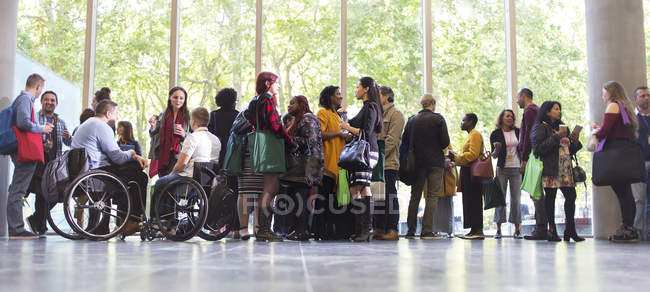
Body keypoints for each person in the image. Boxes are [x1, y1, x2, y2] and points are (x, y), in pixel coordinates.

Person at [71, 100, 149, 236]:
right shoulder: (101, 126)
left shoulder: (87, 124)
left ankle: (124, 220)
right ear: (108, 113)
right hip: (97, 171)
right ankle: (132, 220)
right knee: (139, 176)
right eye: (116, 113)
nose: (117, 117)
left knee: (130, 170)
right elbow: (117, 157)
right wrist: (132, 153)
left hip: (85, 169)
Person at [244, 71, 298, 242]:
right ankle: (264, 230)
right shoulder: (266, 100)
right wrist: (291, 143)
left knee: (270, 188)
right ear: (267, 84)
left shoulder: (255, 101)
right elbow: (276, 126)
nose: (278, 86)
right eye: (276, 82)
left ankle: (263, 229)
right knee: (270, 187)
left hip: (262, 147)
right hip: (270, 146)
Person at [152, 107, 220, 223]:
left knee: (160, 183)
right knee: (168, 181)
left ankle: (161, 221)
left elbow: (182, 164)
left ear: (192, 122)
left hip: (189, 181)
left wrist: (171, 174)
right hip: (207, 182)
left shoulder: (193, 137)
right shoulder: (216, 140)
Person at [6, 74, 53, 239]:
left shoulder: (22, 100)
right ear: (38, 87)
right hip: (24, 151)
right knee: (18, 190)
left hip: (20, 149)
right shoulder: (25, 100)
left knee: (16, 189)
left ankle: (15, 228)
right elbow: (23, 123)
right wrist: (43, 129)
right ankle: (17, 229)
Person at [594, 81, 641, 242]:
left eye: (604, 92)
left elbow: (605, 131)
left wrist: (595, 131)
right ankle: (629, 227)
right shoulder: (624, 107)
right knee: (625, 192)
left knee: (623, 193)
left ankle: (627, 228)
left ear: (610, 92)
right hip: (624, 151)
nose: (602, 95)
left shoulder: (613, 105)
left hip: (615, 152)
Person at [531, 101, 584, 242]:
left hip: (566, 168)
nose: (559, 111)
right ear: (547, 111)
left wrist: (575, 141)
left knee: (571, 196)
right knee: (550, 199)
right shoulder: (541, 127)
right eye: (555, 109)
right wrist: (557, 136)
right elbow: (539, 149)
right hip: (551, 168)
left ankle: (570, 230)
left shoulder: (562, 126)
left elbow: (570, 149)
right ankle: (552, 230)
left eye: (559, 109)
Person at [340, 76, 383, 242]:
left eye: (358, 87)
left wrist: (346, 126)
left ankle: (363, 230)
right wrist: (345, 119)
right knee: (362, 188)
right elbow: (356, 126)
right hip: (367, 152)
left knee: (357, 189)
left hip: (366, 152)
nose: (356, 90)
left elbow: (365, 131)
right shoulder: (368, 107)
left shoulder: (370, 106)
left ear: (366, 89)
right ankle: (363, 231)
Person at [403, 94, 449, 240]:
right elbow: (444, 142)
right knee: (432, 196)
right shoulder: (439, 119)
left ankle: (410, 231)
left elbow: (404, 142)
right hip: (435, 163)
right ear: (433, 104)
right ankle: (426, 231)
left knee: (415, 196)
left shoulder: (412, 120)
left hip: (417, 164)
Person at [26, 90, 72, 235]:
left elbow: (68, 143)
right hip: (38, 162)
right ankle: (41, 226)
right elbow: (29, 137)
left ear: (56, 104)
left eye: (52, 100)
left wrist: (69, 137)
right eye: (46, 100)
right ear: (42, 101)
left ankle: (36, 220)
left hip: (55, 165)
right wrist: (41, 144)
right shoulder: (35, 118)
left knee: (56, 194)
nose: (49, 102)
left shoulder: (60, 121)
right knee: (41, 194)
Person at [313, 85, 353, 240]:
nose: (341, 97)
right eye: (337, 94)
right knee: (324, 200)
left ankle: (335, 232)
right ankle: (320, 231)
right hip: (328, 164)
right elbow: (319, 134)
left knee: (338, 200)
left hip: (339, 163)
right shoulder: (323, 112)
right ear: (329, 97)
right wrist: (339, 133)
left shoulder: (336, 115)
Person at [282, 95, 323, 241]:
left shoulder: (308, 118)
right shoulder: (298, 120)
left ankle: (302, 231)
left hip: (307, 164)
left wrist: (286, 139)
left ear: (302, 104)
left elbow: (309, 141)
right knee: (298, 197)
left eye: (292, 103)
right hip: (302, 164)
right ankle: (298, 229)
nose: (289, 106)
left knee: (301, 198)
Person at [207, 87, 241, 238]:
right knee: (235, 192)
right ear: (233, 100)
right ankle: (236, 229)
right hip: (234, 159)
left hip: (218, 159)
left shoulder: (213, 115)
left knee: (218, 194)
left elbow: (210, 137)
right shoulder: (238, 115)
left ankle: (215, 227)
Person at [373, 86, 404, 241]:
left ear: (386, 97)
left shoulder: (396, 114)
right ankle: (378, 228)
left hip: (389, 164)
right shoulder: (377, 114)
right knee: (378, 197)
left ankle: (392, 229)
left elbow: (392, 141)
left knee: (390, 196)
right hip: (376, 164)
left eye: (378, 95)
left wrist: (377, 156)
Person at [517, 88, 547, 240]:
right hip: (534, 155)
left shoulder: (530, 111)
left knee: (535, 192)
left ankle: (541, 228)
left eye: (518, 97)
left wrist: (524, 158)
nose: (517, 101)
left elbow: (529, 134)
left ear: (524, 96)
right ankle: (541, 227)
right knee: (537, 192)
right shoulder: (537, 110)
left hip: (531, 157)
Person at [489, 109, 523, 239]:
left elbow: (523, 149)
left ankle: (518, 229)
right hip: (502, 168)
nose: (510, 118)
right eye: (507, 116)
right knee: (500, 198)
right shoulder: (495, 134)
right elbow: (493, 155)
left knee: (516, 199)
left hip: (516, 168)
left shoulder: (519, 132)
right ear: (501, 118)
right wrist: (496, 149)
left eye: (512, 116)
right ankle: (498, 229)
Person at [451, 113, 484, 240]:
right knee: (469, 200)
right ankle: (473, 229)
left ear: (470, 121)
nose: (461, 123)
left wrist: (456, 157)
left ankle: (478, 230)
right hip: (467, 170)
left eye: (463, 120)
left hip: (472, 171)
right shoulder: (470, 135)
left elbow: (473, 155)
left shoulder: (475, 134)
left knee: (474, 200)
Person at [149, 87, 190, 177]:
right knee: (164, 183)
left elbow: (195, 136)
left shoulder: (188, 117)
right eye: (175, 97)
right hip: (163, 155)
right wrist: (152, 126)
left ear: (184, 100)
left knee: (175, 185)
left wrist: (184, 134)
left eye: (181, 98)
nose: (178, 100)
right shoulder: (163, 115)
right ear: (170, 98)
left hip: (179, 156)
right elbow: (153, 133)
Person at [632, 86, 650, 239]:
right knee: (639, 200)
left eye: (648, 95)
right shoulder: (632, 119)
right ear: (636, 99)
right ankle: (638, 233)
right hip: (638, 163)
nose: (646, 98)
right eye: (643, 96)